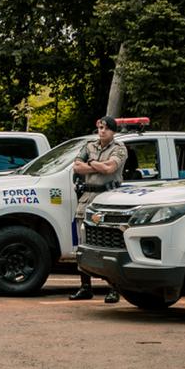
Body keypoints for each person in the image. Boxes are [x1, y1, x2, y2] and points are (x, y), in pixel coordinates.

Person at [70, 115, 128, 303]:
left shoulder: (119, 149)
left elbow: (109, 168)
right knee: (82, 243)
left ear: (113, 131)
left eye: (106, 128)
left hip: (107, 198)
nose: (102, 131)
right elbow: (77, 167)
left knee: (108, 243)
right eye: (100, 127)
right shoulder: (89, 146)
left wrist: (92, 164)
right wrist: (97, 166)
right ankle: (85, 286)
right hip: (87, 198)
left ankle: (113, 289)